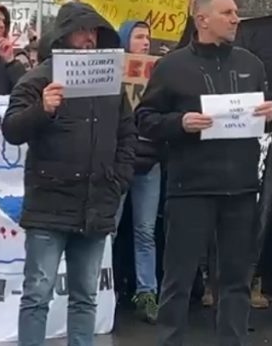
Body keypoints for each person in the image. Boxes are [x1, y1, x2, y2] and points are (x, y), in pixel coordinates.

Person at [136, 0, 272, 346]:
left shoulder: (251, 64)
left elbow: (263, 121)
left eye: (236, 13)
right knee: (178, 279)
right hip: (190, 187)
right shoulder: (172, 67)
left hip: (241, 189)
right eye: (227, 12)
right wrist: (179, 123)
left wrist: (270, 117)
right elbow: (145, 118)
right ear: (202, 20)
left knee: (235, 281)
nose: (235, 19)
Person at [0, 2, 136, 346]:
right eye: (81, 31)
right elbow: (12, 129)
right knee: (37, 294)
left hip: (96, 204)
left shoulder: (109, 80)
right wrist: (41, 110)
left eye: (94, 32)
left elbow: (126, 134)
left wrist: (118, 179)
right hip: (49, 204)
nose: (89, 39)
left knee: (85, 297)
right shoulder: (38, 78)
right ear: (63, 35)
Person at [113, 20, 162, 324]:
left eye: (149, 37)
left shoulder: (160, 73)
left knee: (145, 231)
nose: (146, 42)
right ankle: (103, 288)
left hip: (150, 163)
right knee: (110, 229)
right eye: (139, 36)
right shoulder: (112, 72)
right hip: (119, 161)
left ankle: (147, 292)